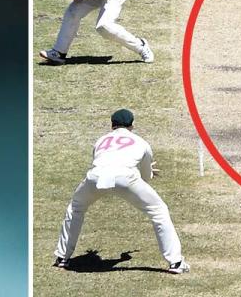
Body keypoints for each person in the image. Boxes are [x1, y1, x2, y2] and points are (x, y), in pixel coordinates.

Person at [53, 109, 190, 274]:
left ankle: (62, 257)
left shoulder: (101, 140)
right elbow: (146, 177)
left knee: (76, 208)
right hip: (126, 178)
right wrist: (145, 176)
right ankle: (175, 262)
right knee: (158, 210)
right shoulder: (141, 142)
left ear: (112, 125)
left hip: (95, 177)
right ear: (132, 125)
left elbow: (99, 161)